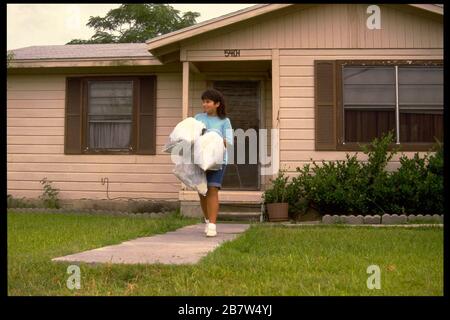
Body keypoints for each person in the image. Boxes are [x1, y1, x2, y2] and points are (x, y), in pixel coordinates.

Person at [194, 88, 233, 237]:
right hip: (199, 161)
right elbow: (192, 136)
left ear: (217, 104)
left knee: (212, 190)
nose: (204, 104)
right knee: (202, 192)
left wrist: (213, 138)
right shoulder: (198, 118)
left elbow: (228, 142)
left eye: (208, 102)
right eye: (203, 101)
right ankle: (207, 219)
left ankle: (212, 225)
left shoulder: (225, 121)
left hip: (217, 161)